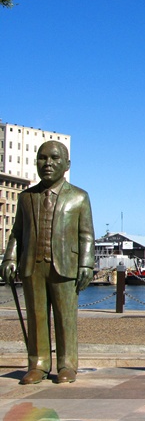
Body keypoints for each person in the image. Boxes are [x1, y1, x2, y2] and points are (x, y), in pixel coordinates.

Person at [1, 141, 94, 384]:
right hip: (33, 265)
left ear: (67, 164)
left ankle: (67, 365)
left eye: (54, 158)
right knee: (36, 317)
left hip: (65, 266)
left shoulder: (79, 197)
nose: (48, 163)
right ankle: (38, 364)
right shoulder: (26, 197)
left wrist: (86, 264)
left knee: (65, 318)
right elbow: (17, 232)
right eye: (42, 158)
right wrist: (10, 257)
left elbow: (86, 235)